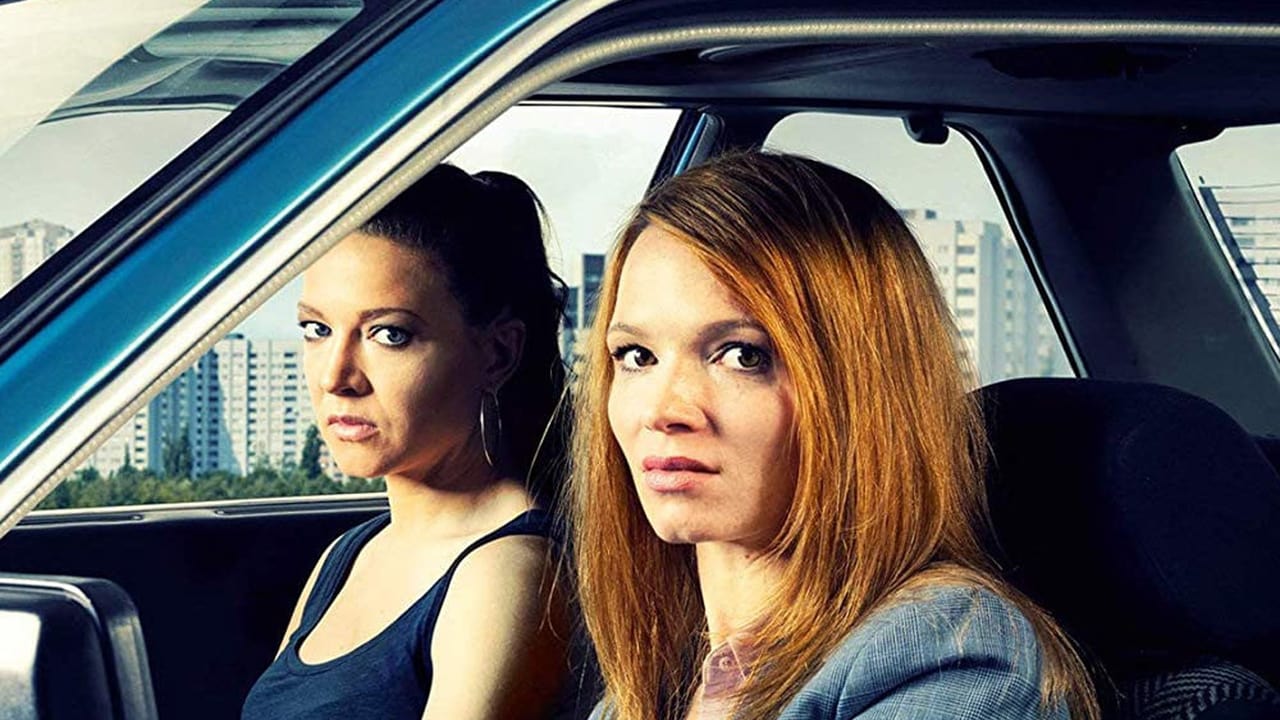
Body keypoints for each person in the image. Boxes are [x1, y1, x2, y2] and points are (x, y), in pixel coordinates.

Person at [570, 150, 1100, 719]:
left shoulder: (949, 655)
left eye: (744, 355)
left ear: (861, 390)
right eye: (637, 356)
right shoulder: (651, 688)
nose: (662, 410)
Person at [242, 164, 572, 719]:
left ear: (498, 354)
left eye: (389, 335)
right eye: (317, 330)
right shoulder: (348, 554)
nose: (336, 377)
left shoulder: (507, 574)